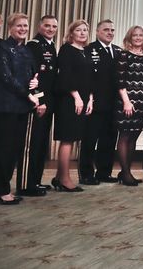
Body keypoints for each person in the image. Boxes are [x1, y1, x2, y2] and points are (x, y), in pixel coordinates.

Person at [0, 13, 40, 204]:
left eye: (26, 26)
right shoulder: (2, 48)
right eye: (19, 26)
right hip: (5, 105)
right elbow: (6, 77)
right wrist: (27, 94)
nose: (22, 29)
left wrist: (35, 82)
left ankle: (5, 189)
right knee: (4, 148)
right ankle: (0, 191)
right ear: (10, 27)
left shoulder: (27, 50)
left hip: (22, 107)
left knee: (15, 149)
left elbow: (33, 74)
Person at [17, 15, 58, 197]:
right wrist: (39, 101)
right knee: (31, 145)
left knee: (41, 144)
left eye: (53, 26)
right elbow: (32, 77)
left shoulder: (49, 45)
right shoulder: (34, 45)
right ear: (39, 26)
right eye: (47, 25)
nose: (50, 29)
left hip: (47, 103)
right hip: (37, 103)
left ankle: (36, 180)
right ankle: (26, 184)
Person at [52, 19, 94, 192]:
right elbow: (65, 77)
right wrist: (76, 96)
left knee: (74, 138)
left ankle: (58, 177)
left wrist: (90, 98)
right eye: (79, 30)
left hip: (83, 100)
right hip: (69, 100)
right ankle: (65, 179)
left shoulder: (85, 51)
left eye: (85, 30)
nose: (83, 33)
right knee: (67, 139)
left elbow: (90, 78)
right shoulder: (66, 50)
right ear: (71, 33)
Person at [114, 25, 143, 187]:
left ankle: (127, 171)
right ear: (129, 38)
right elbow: (120, 81)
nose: (138, 38)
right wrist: (126, 101)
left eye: (140, 35)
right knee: (125, 136)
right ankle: (125, 173)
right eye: (135, 35)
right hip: (127, 102)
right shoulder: (123, 55)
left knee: (134, 136)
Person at [80, 20, 120, 185]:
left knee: (109, 140)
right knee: (90, 140)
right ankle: (86, 174)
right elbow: (87, 78)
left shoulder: (118, 51)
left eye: (112, 30)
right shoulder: (89, 50)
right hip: (95, 103)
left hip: (113, 104)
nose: (110, 32)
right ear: (97, 32)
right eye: (106, 30)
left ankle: (104, 172)